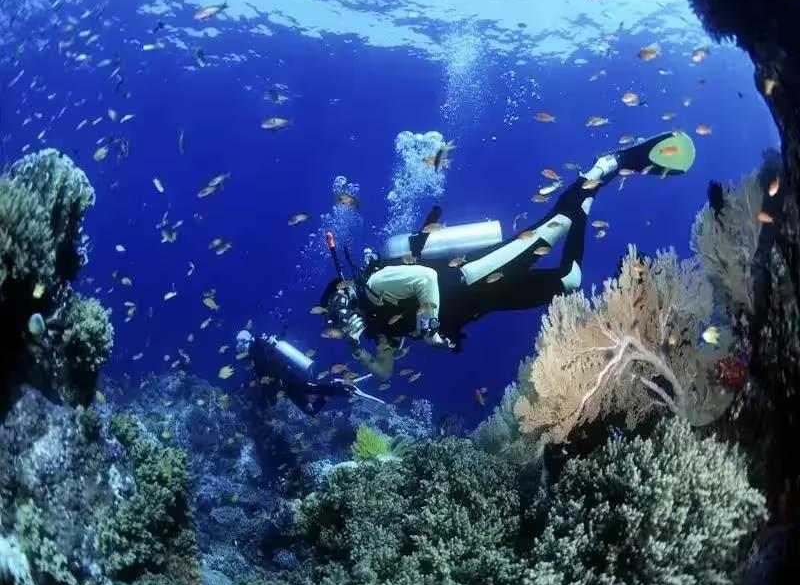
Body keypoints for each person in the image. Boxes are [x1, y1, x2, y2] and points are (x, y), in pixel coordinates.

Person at [319, 131, 697, 381]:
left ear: (346, 284)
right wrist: (357, 349)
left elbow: (427, 279)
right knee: (571, 280)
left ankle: (606, 166)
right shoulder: (375, 323)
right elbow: (385, 372)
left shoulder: (373, 285)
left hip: (475, 275)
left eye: (336, 301)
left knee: (556, 226)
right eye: (334, 315)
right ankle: (587, 199)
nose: (340, 312)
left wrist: (430, 327)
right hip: (484, 300)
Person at [235, 330, 385, 415]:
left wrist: (271, 396)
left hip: (286, 378)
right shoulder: (257, 348)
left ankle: (346, 389)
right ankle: (336, 387)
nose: (238, 349)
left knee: (312, 387)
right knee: (310, 410)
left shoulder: (256, 348)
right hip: (283, 386)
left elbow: (265, 372)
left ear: (244, 342)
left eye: (239, 344)